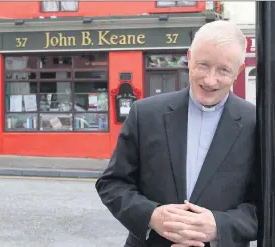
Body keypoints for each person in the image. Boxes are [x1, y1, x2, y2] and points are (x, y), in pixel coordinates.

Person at [95, 20, 258, 247]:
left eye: (223, 70)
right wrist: (152, 216)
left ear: (238, 71)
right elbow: (111, 184)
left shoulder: (257, 123)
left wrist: (220, 226)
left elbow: (265, 204)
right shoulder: (145, 114)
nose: (210, 80)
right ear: (189, 58)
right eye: (203, 65)